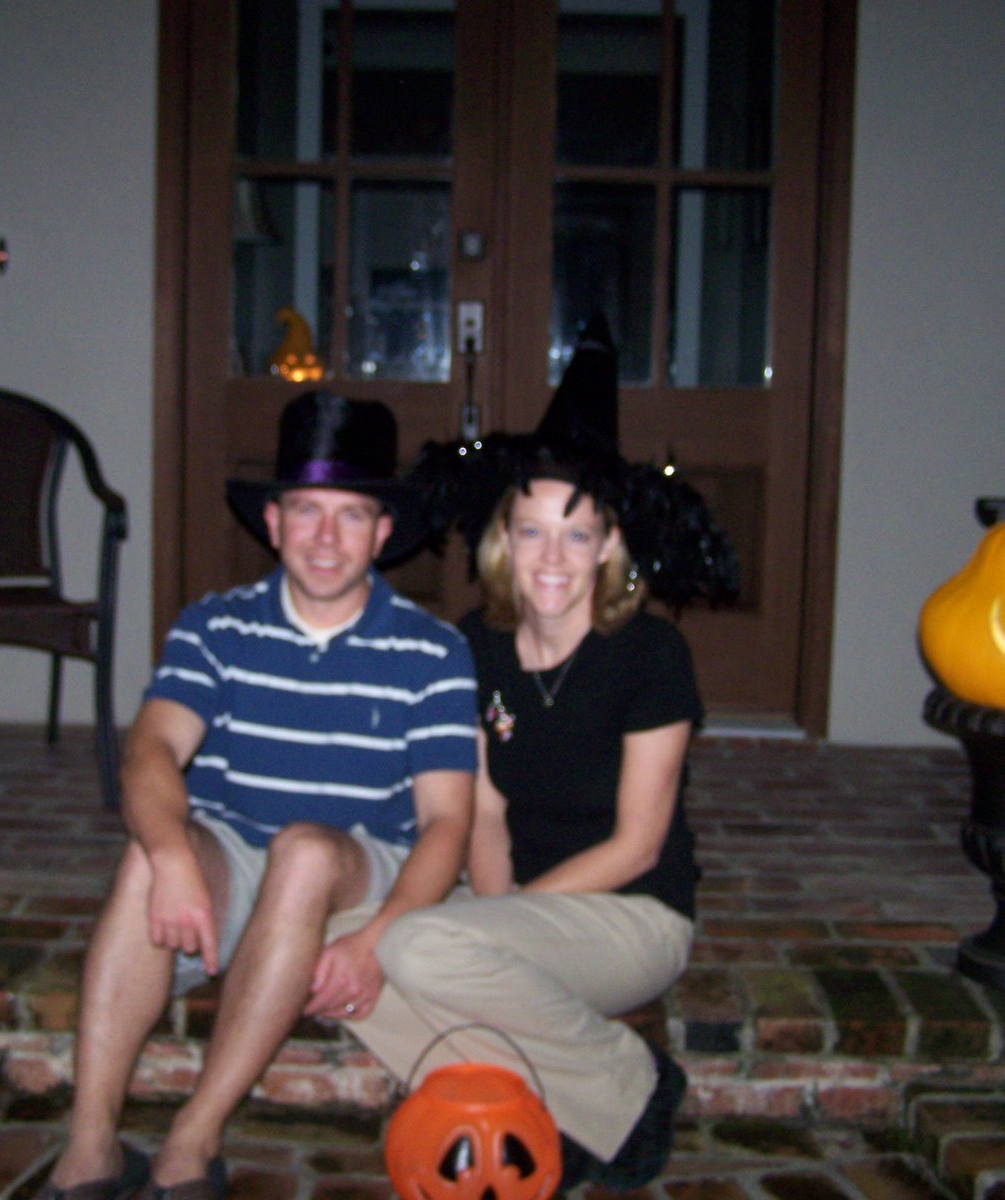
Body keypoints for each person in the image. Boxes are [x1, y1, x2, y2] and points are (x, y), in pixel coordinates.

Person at [39, 391, 477, 1200]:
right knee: (149, 856)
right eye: (305, 510)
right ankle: (90, 1146)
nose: (325, 538)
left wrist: (378, 938)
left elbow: (449, 824)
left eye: (351, 516)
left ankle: (190, 1141)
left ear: (383, 533)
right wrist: (172, 856)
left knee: (304, 852)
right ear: (272, 523)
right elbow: (150, 751)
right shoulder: (215, 627)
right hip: (238, 856)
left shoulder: (434, 651)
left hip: (359, 865)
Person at [339, 316, 736, 1191]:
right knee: (335, 945)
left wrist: (502, 924)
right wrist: (496, 915)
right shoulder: (476, 645)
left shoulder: (652, 654)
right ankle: (552, 1095)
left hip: (630, 916)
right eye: (531, 531)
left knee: (414, 950)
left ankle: (631, 1080)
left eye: (577, 533)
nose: (552, 557)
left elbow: (637, 845)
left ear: (610, 546)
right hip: (516, 908)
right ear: (502, 541)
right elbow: (482, 810)